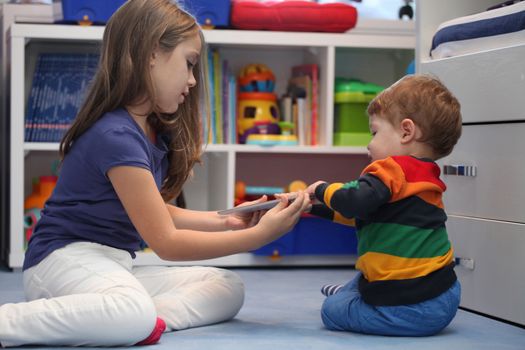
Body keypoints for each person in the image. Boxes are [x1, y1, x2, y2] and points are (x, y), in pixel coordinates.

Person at [0, 0, 310, 347]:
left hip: (114, 263)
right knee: (131, 310)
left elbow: (153, 211)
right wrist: (257, 238)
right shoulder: (115, 135)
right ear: (151, 53)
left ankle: (135, 319)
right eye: (189, 64)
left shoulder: (148, 129)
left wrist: (224, 221)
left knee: (227, 287)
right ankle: (14, 322)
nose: (193, 80)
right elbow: (165, 243)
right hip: (64, 260)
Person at [306, 75, 462, 336]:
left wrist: (321, 189)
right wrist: (313, 208)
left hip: (410, 305)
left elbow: (354, 201)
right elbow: (365, 215)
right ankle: (352, 293)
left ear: (406, 131)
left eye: (375, 132)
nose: (369, 144)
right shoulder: (424, 174)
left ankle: (348, 297)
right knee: (365, 275)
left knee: (331, 310)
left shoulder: (391, 168)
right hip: (445, 294)